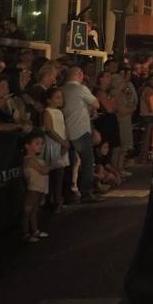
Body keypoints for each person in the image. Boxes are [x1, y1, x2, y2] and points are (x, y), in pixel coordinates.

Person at [61, 65, 103, 203]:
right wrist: (89, 107)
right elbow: (96, 104)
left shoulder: (62, 89)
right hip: (80, 130)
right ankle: (86, 192)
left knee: (69, 164)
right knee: (87, 162)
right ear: (79, 75)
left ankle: (68, 192)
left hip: (65, 131)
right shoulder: (81, 89)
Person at [41, 87, 69, 210]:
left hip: (61, 143)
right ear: (49, 100)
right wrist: (62, 142)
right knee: (54, 173)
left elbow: (63, 127)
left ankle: (58, 199)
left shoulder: (60, 112)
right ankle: (53, 200)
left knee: (60, 173)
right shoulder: (47, 112)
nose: (60, 99)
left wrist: (66, 141)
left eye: (61, 97)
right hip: (53, 144)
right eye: (57, 97)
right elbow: (49, 129)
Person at [21, 132, 50, 242]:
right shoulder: (29, 159)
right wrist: (52, 164)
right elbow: (43, 171)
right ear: (27, 145)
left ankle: (35, 231)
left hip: (38, 189)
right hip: (32, 189)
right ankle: (26, 234)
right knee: (27, 211)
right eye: (37, 143)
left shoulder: (37, 159)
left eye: (41, 143)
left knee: (34, 210)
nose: (40, 146)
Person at [138, 70, 153, 162]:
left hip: (146, 115)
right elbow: (151, 107)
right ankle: (143, 157)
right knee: (147, 138)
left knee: (146, 137)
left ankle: (143, 156)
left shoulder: (145, 89)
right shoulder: (149, 90)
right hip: (149, 115)